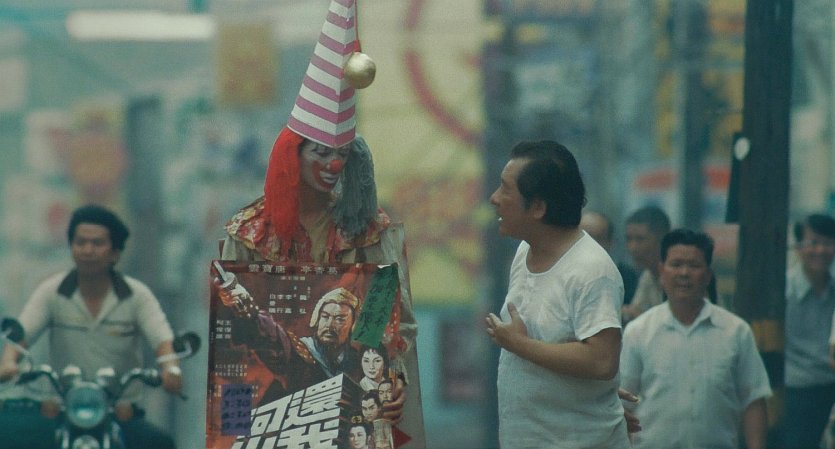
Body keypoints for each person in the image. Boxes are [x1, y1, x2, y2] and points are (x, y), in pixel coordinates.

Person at [217, 0, 423, 443]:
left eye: (342, 154)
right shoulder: (249, 233)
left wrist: (395, 379)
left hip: (355, 409)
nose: (333, 165)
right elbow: (233, 337)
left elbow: (394, 319)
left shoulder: (372, 231)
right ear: (293, 155)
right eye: (321, 152)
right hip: (274, 411)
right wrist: (233, 428)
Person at [484, 140, 630, 448]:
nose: (494, 198)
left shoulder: (592, 270)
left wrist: (519, 344)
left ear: (538, 207)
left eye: (505, 189)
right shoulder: (524, 250)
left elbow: (602, 360)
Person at [0, 205, 182, 449]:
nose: (87, 250)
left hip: (119, 410)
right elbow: (23, 332)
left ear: (115, 253)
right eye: (80, 242)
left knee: (161, 444)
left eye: (97, 243)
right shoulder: (52, 291)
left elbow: (162, 339)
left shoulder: (137, 296)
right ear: (71, 247)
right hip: (62, 407)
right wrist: (9, 362)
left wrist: (171, 369)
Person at [620, 228, 771, 449]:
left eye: (694, 265)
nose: (684, 273)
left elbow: (753, 400)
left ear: (708, 275)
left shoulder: (736, 332)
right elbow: (623, 403)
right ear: (662, 271)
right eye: (676, 264)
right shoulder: (638, 332)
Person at [784, 213, 835, 449]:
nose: (820, 250)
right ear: (798, 247)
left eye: (828, 243)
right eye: (813, 243)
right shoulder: (783, 291)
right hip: (796, 393)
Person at [621, 205, 671, 323]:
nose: (632, 247)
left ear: (662, 239)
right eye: (629, 239)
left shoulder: (680, 275)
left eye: (640, 239)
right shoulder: (648, 275)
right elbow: (633, 312)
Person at [581, 210, 639, 306]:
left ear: (609, 242)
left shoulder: (626, 277)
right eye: (583, 238)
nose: (589, 245)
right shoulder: (561, 272)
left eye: (596, 238)